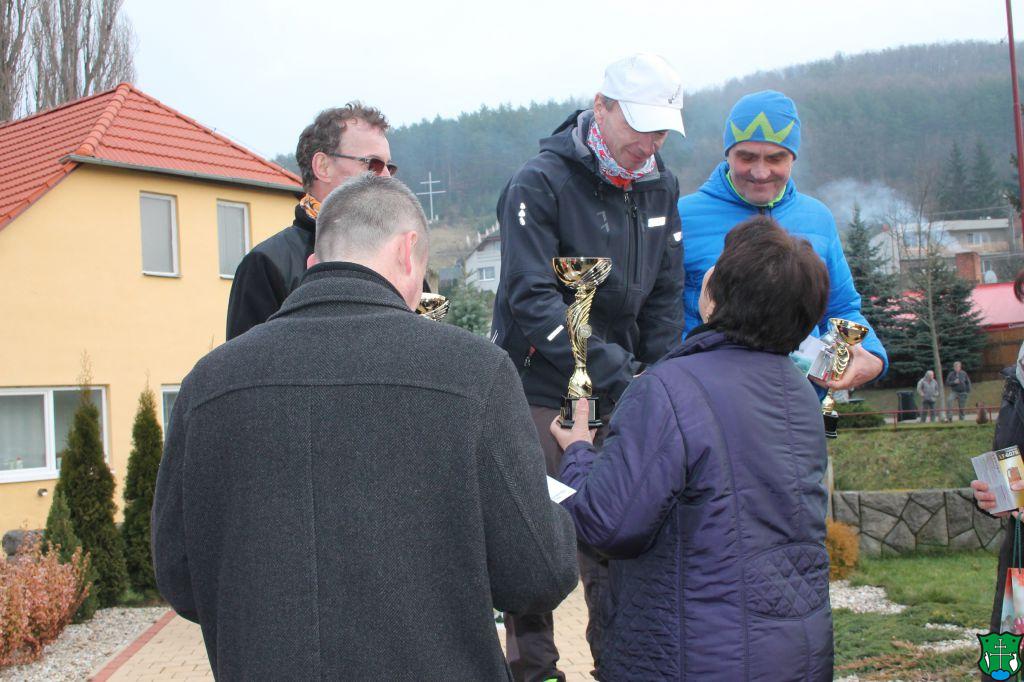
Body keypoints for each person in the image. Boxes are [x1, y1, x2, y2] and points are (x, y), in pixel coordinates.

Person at [152, 175, 578, 679]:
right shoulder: (475, 373)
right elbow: (537, 575)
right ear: (407, 251)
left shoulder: (208, 383)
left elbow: (181, 578)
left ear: (315, 262)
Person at [551, 216, 833, 681]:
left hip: (695, 656)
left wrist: (578, 451)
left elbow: (608, 525)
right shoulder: (800, 392)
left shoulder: (669, 389)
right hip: (796, 653)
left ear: (716, 297)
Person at [489, 53, 685, 682]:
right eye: (640, 126)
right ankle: (535, 673)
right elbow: (530, 297)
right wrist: (619, 371)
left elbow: (665, 295)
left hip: (625, 389)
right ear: (601, 107)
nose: (649, 144)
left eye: (662, 131)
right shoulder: (538, 182)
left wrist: (660, 380)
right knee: (536, 544)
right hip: (542, 389)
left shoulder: (661, 184)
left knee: (618, 538)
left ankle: (621, 666)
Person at [677, 90, 887, 393]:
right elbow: (659, 314)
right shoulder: (682, 217)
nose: (760, 172)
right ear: (728, 154)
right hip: (707, 398)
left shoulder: (817, 218)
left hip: (796, 403)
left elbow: (841, 307)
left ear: (793, 158)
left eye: (776, 158)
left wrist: (873, 355)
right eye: (747, 157)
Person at [225, 103, 397, 340]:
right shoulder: (267, 264)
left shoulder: (399, 254)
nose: (386, 177)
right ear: (323, 167)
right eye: (373, 164)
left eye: (389, 167)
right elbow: (247, 360)